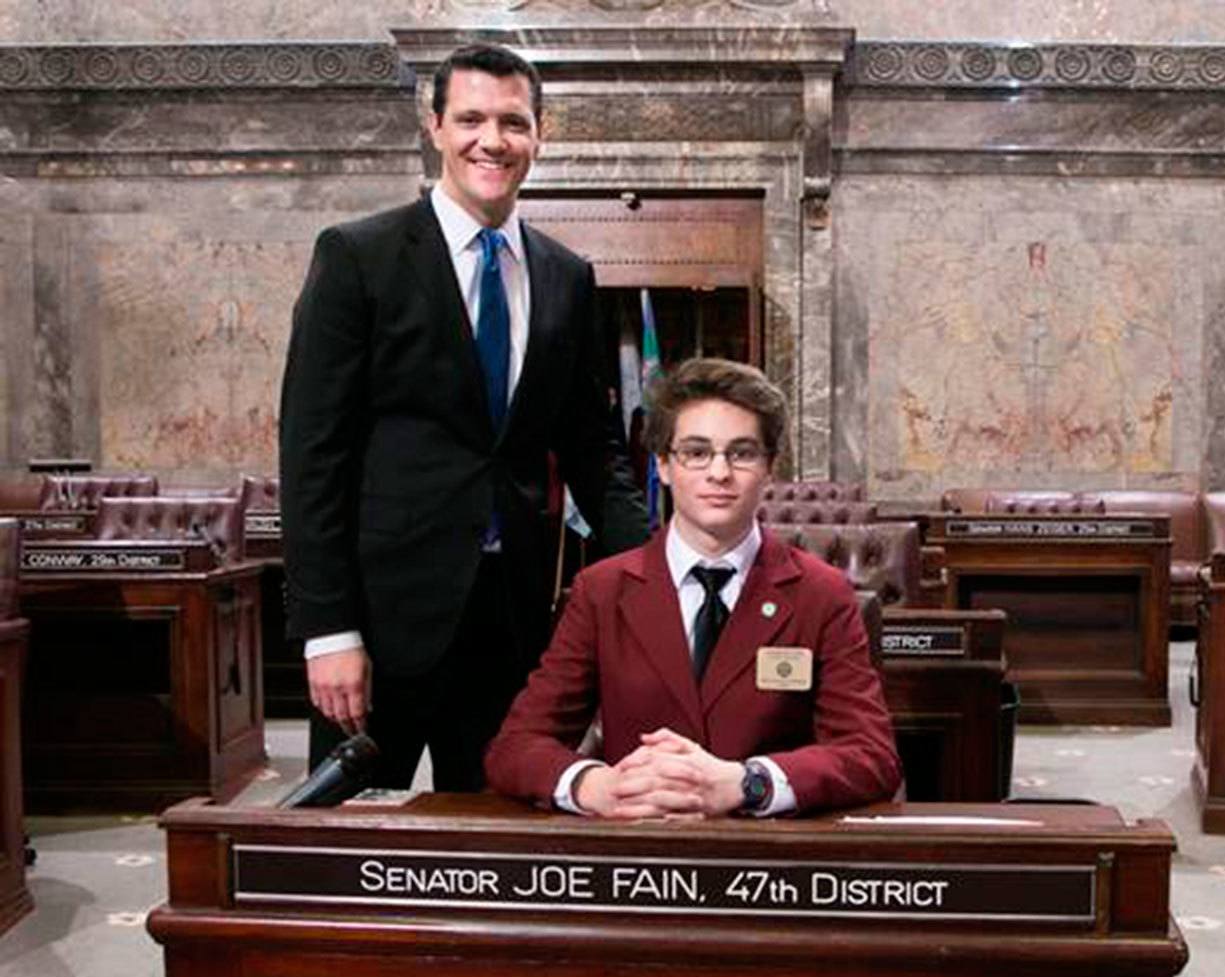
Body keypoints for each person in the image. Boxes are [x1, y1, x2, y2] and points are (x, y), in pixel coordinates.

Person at [279, 43, 647, 792]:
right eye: (472, 118)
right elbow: (313, 454)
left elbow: (591, 451)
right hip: (380, 627)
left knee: (491, 854)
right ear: (436, 126)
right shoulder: (359, 257)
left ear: (539, 135)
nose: (493, 140)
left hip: (511, 627)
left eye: (513, 122)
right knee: (345, 857)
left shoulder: (565, 276)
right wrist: (328, 629)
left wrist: (661, 572)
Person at [486, 359, 901, 817]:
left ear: (770, 467)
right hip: (639, 854)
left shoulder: (821, 595)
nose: (719, 473)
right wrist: (594, 784)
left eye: (741, 453)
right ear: (663, 464)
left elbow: (871, 756)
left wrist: (749, 782)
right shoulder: (601, 591)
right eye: (697, 452)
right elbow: (516, 746)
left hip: (770, 863)